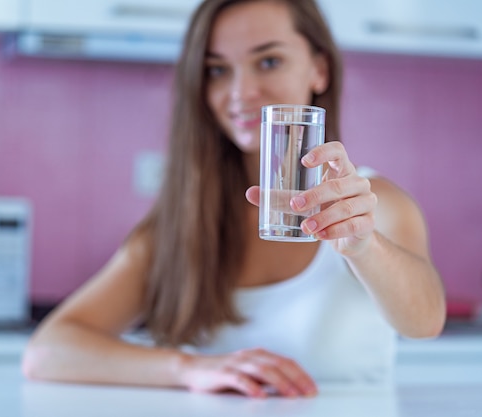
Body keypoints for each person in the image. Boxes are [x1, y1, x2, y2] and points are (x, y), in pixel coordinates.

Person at [22, 0, 446, 399]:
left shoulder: (373, 204)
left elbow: (425, 322)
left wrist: (364, 245)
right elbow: (47, 351)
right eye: (217, 70)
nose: (241, 91)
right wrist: (188, 369)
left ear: (319, 69)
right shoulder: (183, 222)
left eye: (268, 61)